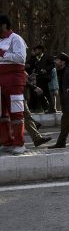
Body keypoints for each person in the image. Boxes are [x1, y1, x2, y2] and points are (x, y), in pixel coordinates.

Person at [0, 14, 29, 155]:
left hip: (14, 81)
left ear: (4, 25)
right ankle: (8, 142)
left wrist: (3, 54)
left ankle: (19, 143)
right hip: (1, 81)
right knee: (2, 114)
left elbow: (21, 57)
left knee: (16, 113)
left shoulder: (16, 39)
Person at [27, 44, 56, 113]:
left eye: (36, 50)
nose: (35, 51)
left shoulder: (47, 57)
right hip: (38, 78)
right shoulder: (35, 58)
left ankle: (47, 108)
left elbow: (53, 65)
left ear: (40, 50)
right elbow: (29, 64)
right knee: (42, 93)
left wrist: (46, 69)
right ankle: (47, 108)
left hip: (45, 78)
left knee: (41, 92)